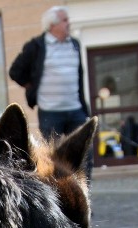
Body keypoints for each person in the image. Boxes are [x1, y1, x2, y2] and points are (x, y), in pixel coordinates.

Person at [9, 6, 91, 179]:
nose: (69, 23)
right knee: (52, 157)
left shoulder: (74, 44)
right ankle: (55, 189)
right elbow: (15, 71)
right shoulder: (37, 46)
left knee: (83, 154)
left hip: (76, 109)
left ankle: (83, 191)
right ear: (52, 25)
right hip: (50, 111)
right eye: (65, 20)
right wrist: (32, 88)